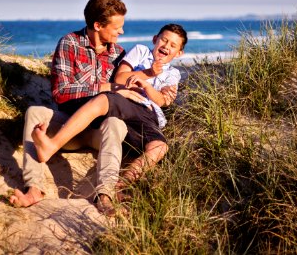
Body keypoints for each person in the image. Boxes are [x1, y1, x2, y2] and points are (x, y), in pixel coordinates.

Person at [8, 0, 144, 213]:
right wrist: (106, 87)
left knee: (116, 125)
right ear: (98, 25)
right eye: (117, 27)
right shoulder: (69, 43)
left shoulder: (119, 55)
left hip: (99, 132)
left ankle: (104, 195)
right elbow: (61, 93)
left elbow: (129, 89)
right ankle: (33, 188)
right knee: (34, 112)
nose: (122, 32)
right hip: (67, 128)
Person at [31, 24, 187, 213]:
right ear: (155, 39)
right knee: (103, 99)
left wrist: (146, 85)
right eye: (164, 40)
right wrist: (148, 73)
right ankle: (52, 144)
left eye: (173, 45)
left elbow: (163, 101)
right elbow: (119, 79)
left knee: (160, 147)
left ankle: (121, 186)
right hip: (125, 103)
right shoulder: (140, 51)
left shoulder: (173, 74)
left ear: (178, 53)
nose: (166, 46)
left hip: (148, 113)